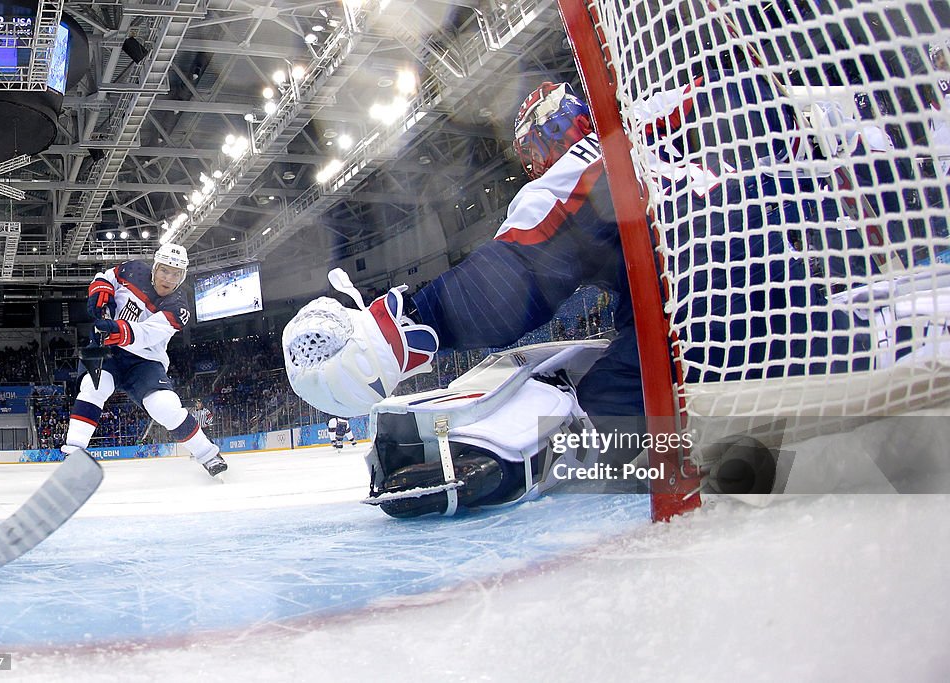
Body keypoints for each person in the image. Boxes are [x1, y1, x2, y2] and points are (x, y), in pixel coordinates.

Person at [283, 80, 948, 516]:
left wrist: (403, 327)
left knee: (613, 420)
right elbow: (744, 110)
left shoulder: (579, 167)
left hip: (709, 293)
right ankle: (878, 334)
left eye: (543, 131)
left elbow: (517, 278)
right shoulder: (654, 116)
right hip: (776, 267)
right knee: (650, 372)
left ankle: (511, 454)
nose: (543, 144)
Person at [63, 243, 227, 477]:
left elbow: (147, 334)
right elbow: (106, 277)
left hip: (145, 359)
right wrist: (101, 290)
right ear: (154, 268)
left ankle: (208, 454)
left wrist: (116, 329)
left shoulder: (179, 307)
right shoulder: (133, 270)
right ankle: (74, 452)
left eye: (176, 274)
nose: (169, 279)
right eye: (164, 271)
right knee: (95, 386)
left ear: (182, 278)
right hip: (106, 349)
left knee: (164, 406)